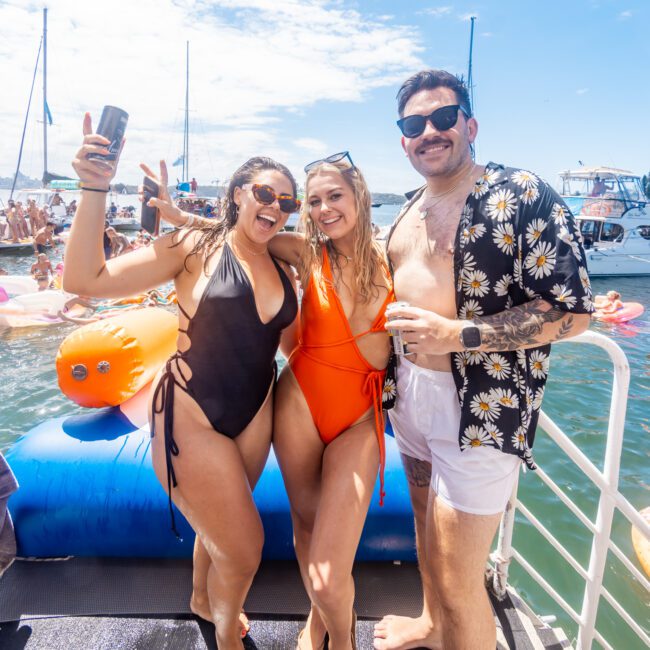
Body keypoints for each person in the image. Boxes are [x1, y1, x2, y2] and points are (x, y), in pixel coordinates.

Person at [373, 70, 594, 650]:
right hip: (412, 399)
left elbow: (573, 313)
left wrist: (459, 334)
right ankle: (429, 623)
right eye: (413, 124)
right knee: (424, 531)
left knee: (458, 574)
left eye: (443, 117)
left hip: (484, 410)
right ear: (403, 139)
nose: (430, 131)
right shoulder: (403, 215)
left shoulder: (521, 194)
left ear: (469, 125)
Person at [64, 112, 300, 650]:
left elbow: (335, 253)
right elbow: (85, 279)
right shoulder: (190, 250)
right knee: (243, 550)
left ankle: (200, 596)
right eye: (266, 193)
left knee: (217, 524)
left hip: (254, 414)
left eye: (288, 202)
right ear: (238, 192)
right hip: (189, 415)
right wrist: (94, 187)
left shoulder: (286, 262)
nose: (275, 208)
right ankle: (225, 629)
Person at [269, 153, 393, 650]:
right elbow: (239, 235)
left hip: (360, 416)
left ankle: (342, 638)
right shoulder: (305, 252)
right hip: (298, 403)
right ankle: (316, 622)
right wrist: (175, 215)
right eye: (314, 200)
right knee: (304, 522)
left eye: (334, 196)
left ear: (359, 196)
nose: (324, 209)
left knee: (328, 572)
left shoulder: (396, 256)